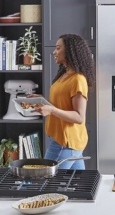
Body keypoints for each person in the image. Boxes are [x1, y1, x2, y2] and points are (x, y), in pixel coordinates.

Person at [30, 34, 95, 170]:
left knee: (48, 183)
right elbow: (62, 103)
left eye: (58, 48)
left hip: (65, 143)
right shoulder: (64, 75)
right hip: (64, 140)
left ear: (70, 51)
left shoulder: (77, 79)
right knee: (76, 185)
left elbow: (79, 117)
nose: (54, 51)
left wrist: (51, 110)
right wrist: (42, 100)